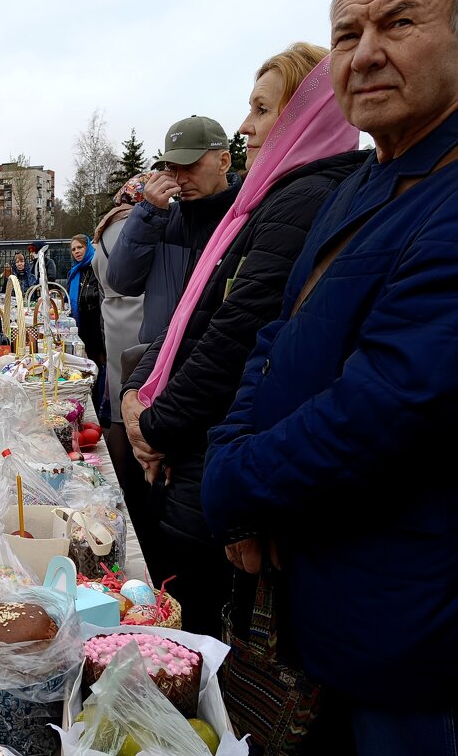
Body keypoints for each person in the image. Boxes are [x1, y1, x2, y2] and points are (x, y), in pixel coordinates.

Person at [204, 0, 458, 750]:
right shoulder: (359, 184)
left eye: (400, 22)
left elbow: (383, 407)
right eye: (346, 33)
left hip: (407, 629)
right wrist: (231, 449)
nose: (366, 52)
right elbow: (275, 343)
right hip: (321, 604)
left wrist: (233, 483)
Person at [119, 45, 365, 639]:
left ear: (306, 116)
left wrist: (156, 426)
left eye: (261, 109)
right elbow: (189, 314)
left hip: (208, 458)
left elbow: (236, 331)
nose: (247, 127)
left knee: (194, 636)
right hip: (191, 445)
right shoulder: (269, 201)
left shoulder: (300, 200)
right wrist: (134, 390)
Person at [107, 116, 242, 344]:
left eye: (190, 166)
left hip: (218, 368)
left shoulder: (247, 219)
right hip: (157, 363)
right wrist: (148, 213)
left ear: (224, 162)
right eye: (172, 168)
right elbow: (121, 281)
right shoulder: (160, 219)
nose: (180, 179)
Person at [91, 174, 148, 481]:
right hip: (139, 316)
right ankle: (131, 482)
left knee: (117, 408)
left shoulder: (105, 230)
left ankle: (118, 478)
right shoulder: (136, 227)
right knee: (135, 404)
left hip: (113, 317)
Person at [67, 234, 107, 411]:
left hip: (98, 326)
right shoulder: (76, 271)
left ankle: (101, 406)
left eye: (80, 247)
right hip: (82, 326)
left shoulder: (97, 267)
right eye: (74, 249)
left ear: (88, 248)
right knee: (86, 366)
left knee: (100, 365)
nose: (76, 252)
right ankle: (89, 402)